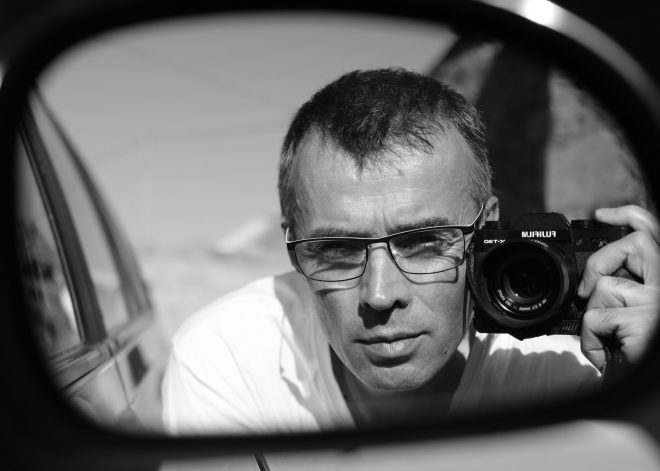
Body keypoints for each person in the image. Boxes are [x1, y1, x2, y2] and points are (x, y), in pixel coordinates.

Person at [161, 68, 660, 434]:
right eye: (337, 249)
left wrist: (645, 382)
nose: (380, 295)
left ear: (485, 230)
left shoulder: (571, 365)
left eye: (423, 242)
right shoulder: (229, 357)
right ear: (294, 251)